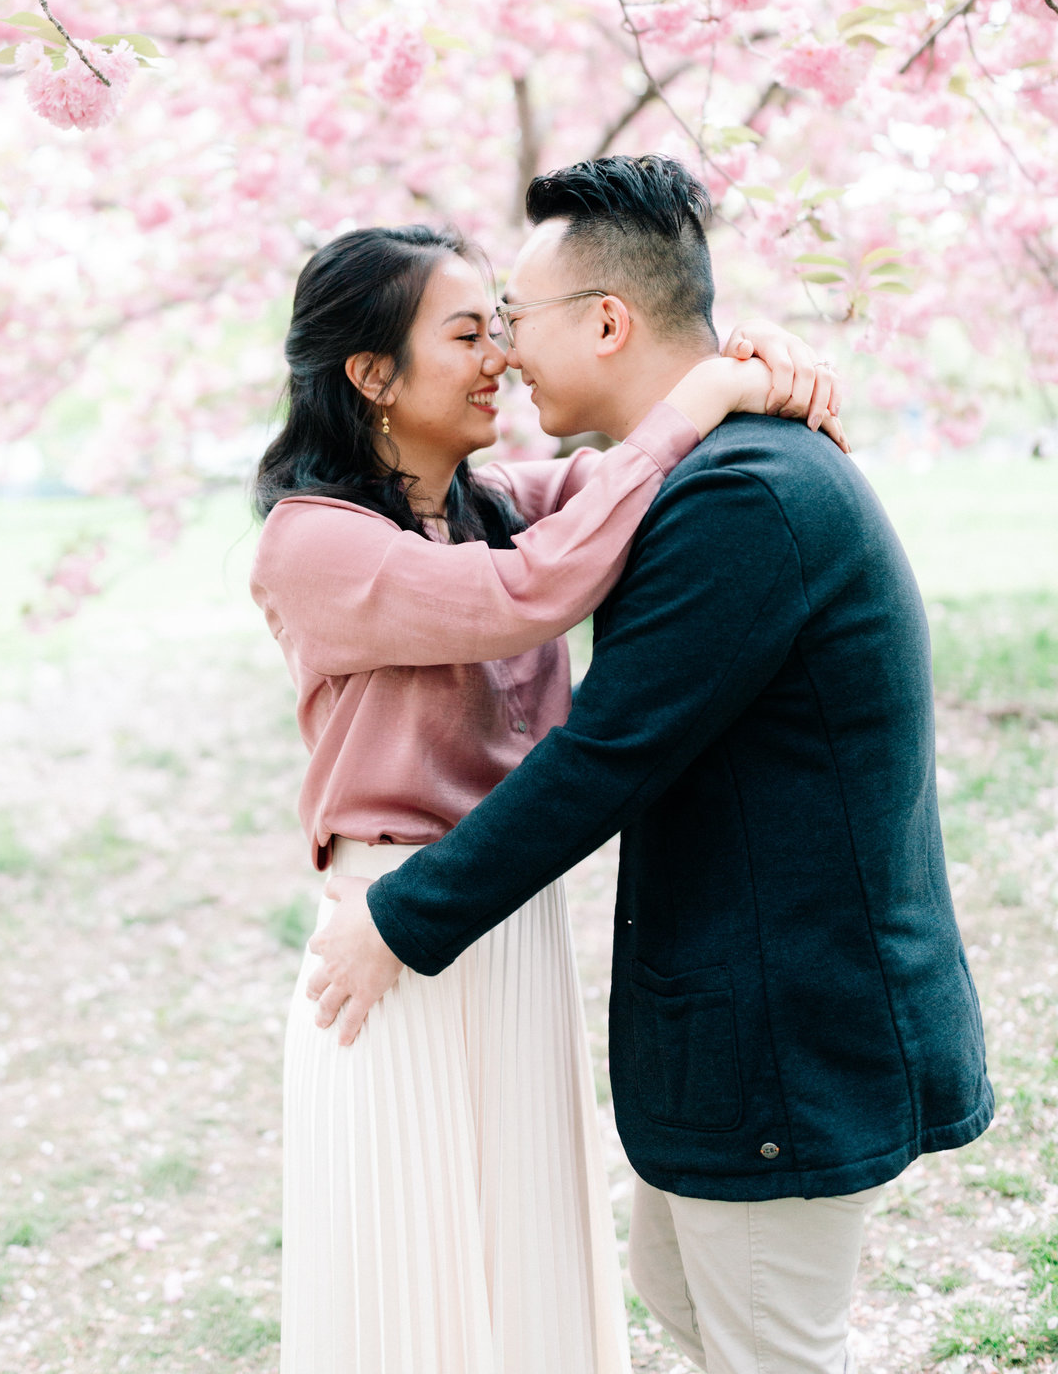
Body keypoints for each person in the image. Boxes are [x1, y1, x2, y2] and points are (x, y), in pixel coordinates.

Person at [306, 155, 994, 1374]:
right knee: (676, 1298)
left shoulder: (741, 500)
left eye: (512, 322)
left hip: (787, 1030)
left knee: (771, 1348)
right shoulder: (700, 478)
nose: (506, 356)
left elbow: (601, 759)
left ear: (609, 322)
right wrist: (733, 380)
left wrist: (399, 919)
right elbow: (545, 536)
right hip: (752, 1014)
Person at [250, 213, 843, 1374]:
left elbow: (634, 474)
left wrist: (747, 364)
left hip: (505, 919)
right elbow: (533, 593)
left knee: (524, 1265)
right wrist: (699, 399)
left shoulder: (499, 499)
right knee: (413, 1278)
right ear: (372, 373)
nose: (503, 359)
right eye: (470, 334)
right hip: (391, 940)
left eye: (504, 328)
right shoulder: (309, 544)